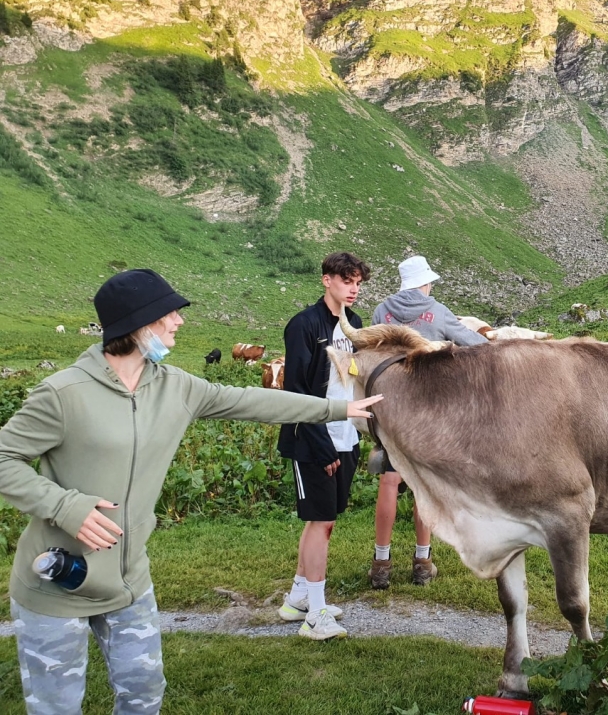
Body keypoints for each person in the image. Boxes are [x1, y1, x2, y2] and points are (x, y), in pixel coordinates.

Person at [0, 269, 382, 715]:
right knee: (57, 709)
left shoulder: (174, 386)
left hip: (128, 581)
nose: (179, 322)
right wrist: (66, 506)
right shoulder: (64, 393)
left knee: (143, 696)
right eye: (170, 314)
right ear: (138, 323)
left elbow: (251, 400)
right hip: (57, 584)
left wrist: (338, 408)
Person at [367, 254, 487, 589]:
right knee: (424, 487)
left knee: (389, 482)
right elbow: (475, 344)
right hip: (428, 415)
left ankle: (381, 564)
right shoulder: (437, 311)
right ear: (424, 282)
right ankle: (422, 562)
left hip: (390, 411)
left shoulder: (381, 312)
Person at [276, 252, 372, 640]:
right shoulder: (304, 324)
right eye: (347, 280)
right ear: (326, 280)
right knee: (321, 521)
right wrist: (322, 446)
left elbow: (353, 381)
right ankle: (315, 615)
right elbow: (296, 391)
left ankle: (299, 597)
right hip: (313, 439)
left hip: (346, 435)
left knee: (324, 520)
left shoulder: (356, 325)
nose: (353, 289)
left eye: (358, 283)